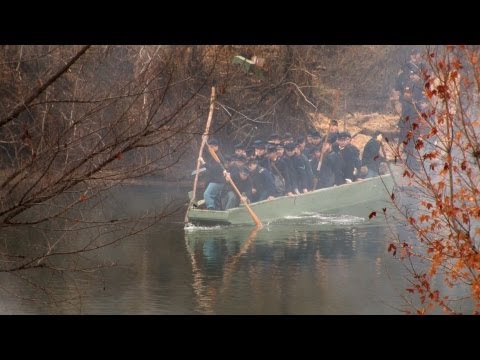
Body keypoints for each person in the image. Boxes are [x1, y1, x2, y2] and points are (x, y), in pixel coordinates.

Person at [201, 139, 226, 210]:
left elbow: (213, 169)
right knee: (216, 198)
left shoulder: (218, 156)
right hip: (218, 181)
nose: (210, 149)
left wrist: (203, 163)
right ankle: (218, 211)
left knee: (207, 194)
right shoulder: (213, 155)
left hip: (217, 181)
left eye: (212, 147)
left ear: (216, 147)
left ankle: (211, 209)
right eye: (209, 147)